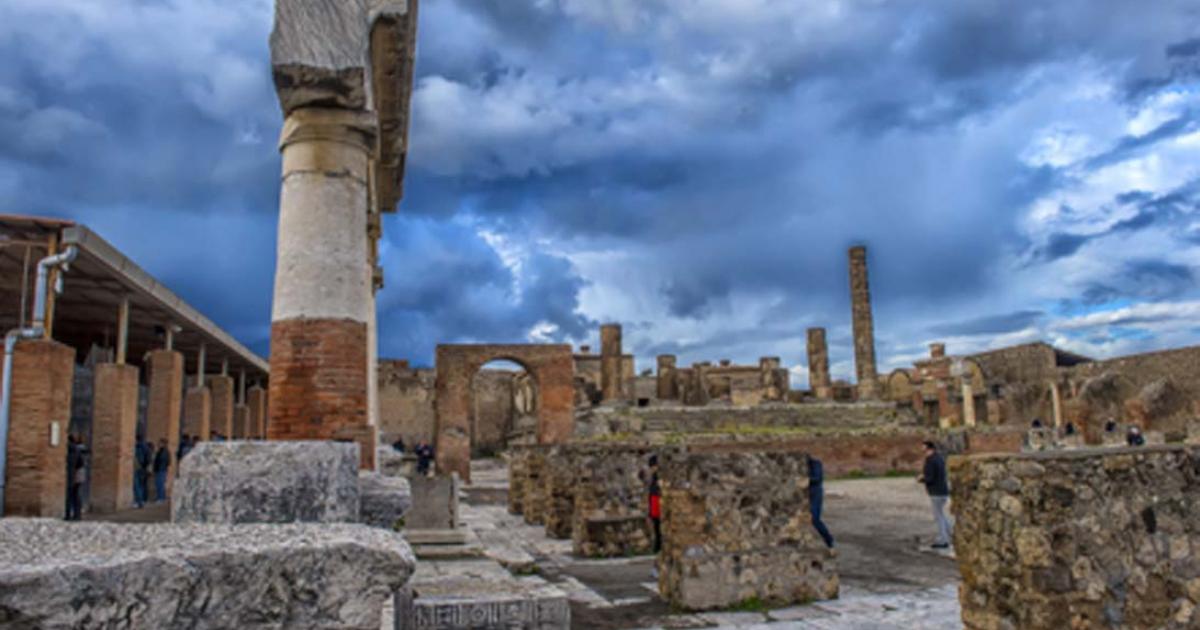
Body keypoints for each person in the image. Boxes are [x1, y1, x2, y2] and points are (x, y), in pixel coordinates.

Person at [918, 441, 952, 549]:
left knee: (938, 516)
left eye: (924, 448)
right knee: (941, 514)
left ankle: (943, 540)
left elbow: (930, 478)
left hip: (936, 492)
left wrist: (921, 478)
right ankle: (949, 534)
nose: (922, 450)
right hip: (942, 490)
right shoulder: (939, 458)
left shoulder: (931, 460)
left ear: (929, 449)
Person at [808, 455, 834, 548]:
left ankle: (829, 541)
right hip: (808, 494)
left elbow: (817, 478)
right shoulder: (806, 465)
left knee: (815, 519)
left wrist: (806, 480)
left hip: (816, 493)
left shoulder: (815, 463)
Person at [65, 436, 87, 521]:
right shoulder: (77, 449)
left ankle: (72, 514)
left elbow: (72, 463)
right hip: (79, 473)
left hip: (75, 473)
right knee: (75, 494)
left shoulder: (71, 449)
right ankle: (76, 514)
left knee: (73, 494)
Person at [134, 435, 152, 508]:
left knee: (137, 485)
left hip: (138, 467)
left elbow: (139, 458)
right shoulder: (146, 447)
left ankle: (139, 502)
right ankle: (143, 500)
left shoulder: (138, 447)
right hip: (144, 468)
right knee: (142, 485)